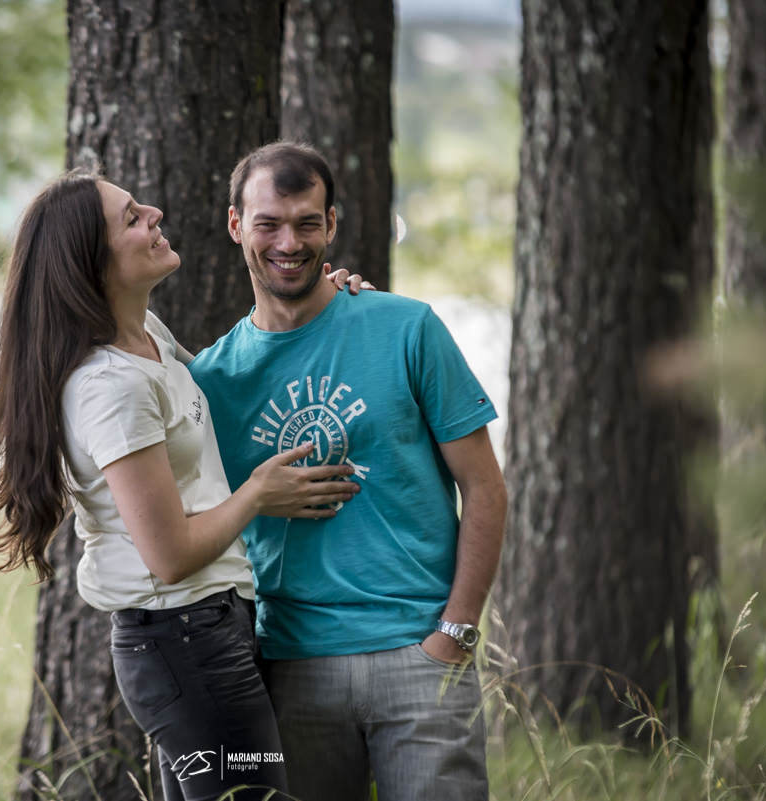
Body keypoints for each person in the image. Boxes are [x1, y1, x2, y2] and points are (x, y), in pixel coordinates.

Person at [0, 170, 365, 801]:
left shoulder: (150, 340)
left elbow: (237, 395)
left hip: (210, 631)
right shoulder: (110, 387)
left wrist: (323, 306)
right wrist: (257, 494)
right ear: (92, 262)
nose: (153, 211)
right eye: (129, 217)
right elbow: (168, 556)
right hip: (184, 643)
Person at [189, 142, 508, 801]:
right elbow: (190, 527)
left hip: (420, 656)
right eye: (269, 223)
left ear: (332, 224)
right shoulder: (211, 380)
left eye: (308, 222)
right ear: (234, 226)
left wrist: (456, 631)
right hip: (289, 666)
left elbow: (485, 486)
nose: (289, 241)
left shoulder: (405, 327)